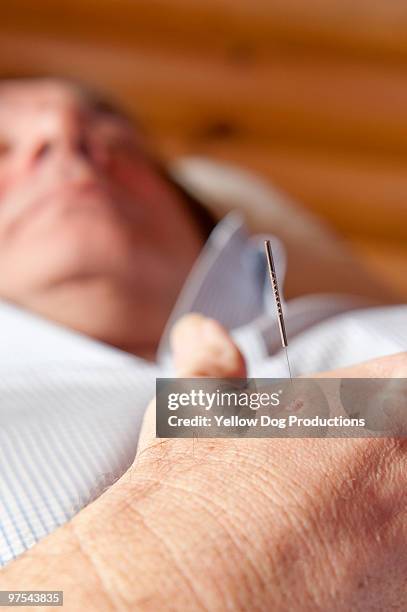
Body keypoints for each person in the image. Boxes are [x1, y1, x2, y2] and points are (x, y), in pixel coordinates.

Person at [0, 78, 406, 605]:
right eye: (2, 149)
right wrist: (187, 541)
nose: (64, 132)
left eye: (116, 139)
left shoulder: (372, 326)